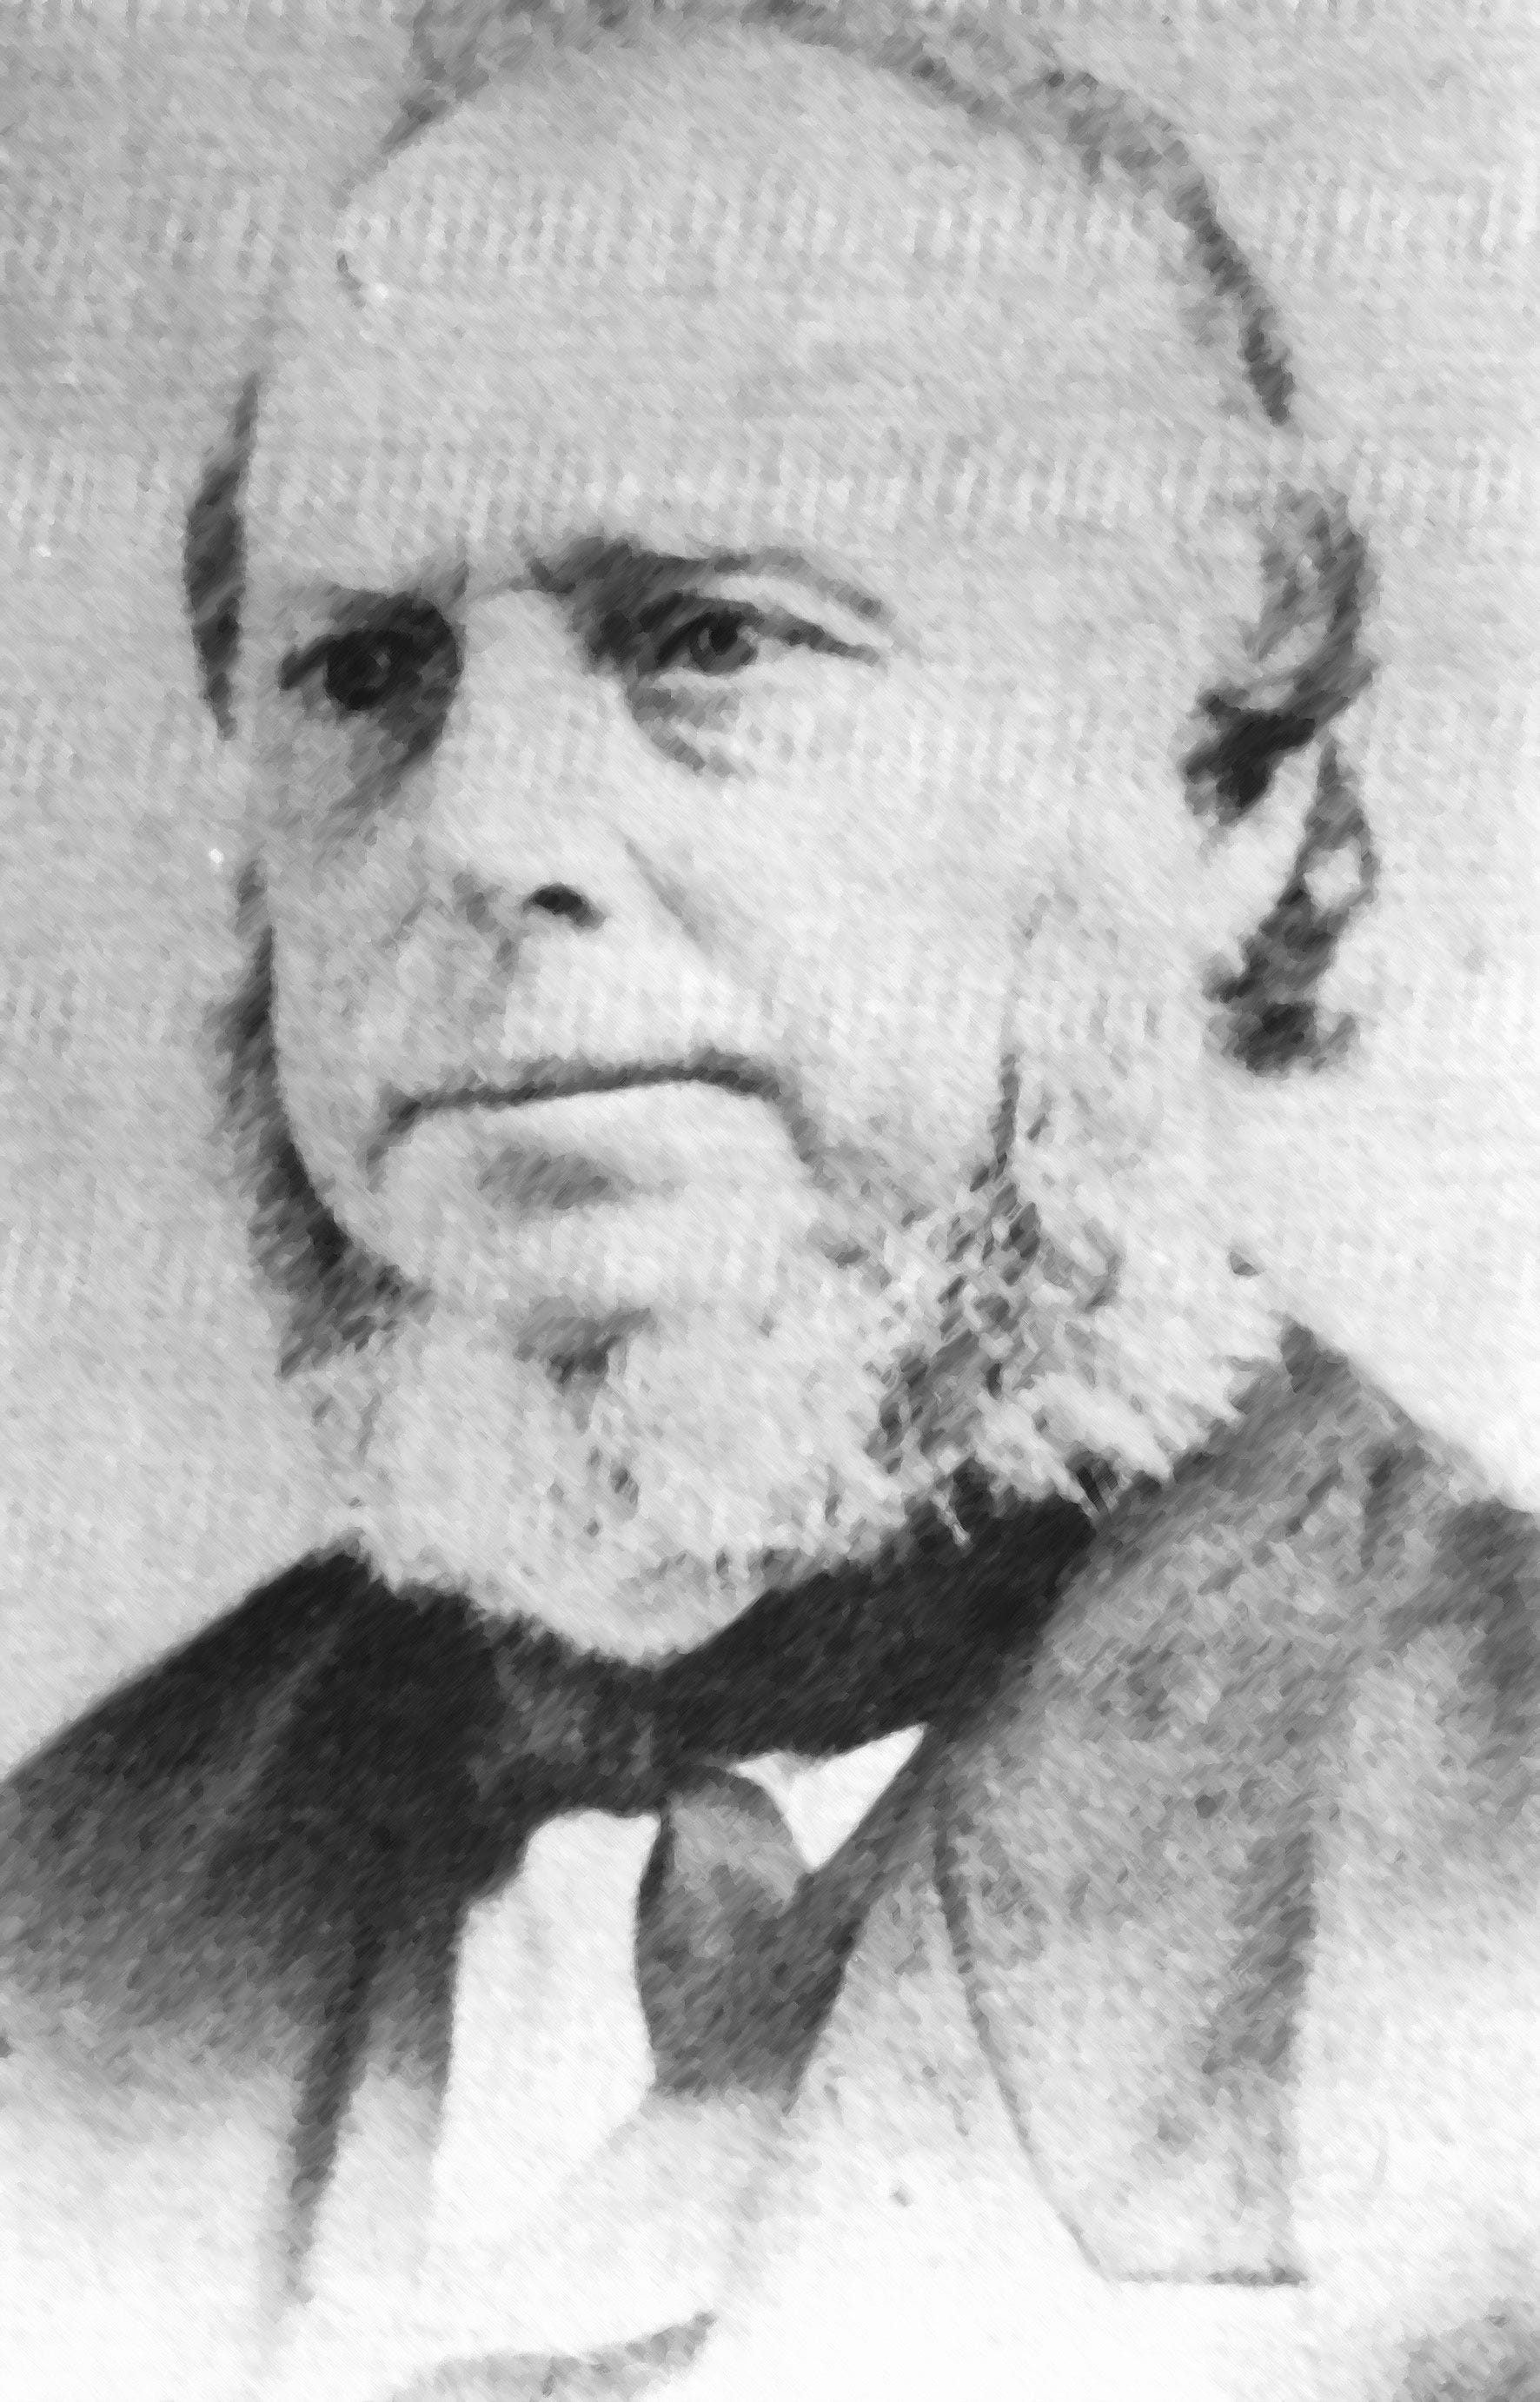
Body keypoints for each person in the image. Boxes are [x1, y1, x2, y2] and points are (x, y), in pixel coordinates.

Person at [12, 1, 1524, 2396]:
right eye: (365, 673)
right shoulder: (61, 1901)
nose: (482, 834)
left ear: (1222, 797)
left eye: (709, 636)